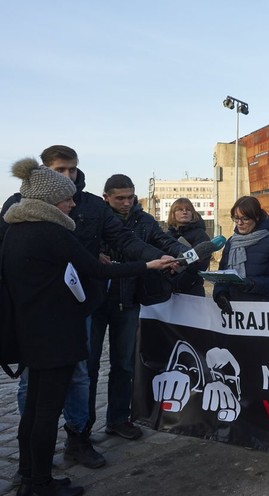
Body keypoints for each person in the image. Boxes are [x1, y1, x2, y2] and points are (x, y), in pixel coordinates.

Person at [2, 158, 173, 496]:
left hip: (29, 332)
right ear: (51, 201)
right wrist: (149, 264)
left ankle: (28, 477)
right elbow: (96, 271)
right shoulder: (52, 231)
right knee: (47, 413)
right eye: (67, 198)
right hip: (56, 334)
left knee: (33, 409)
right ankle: (41, 485)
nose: (72, 203)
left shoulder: (15, 230)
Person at [88, 175, 187, 442]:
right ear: (106, 196)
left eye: (130, 197)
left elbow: (163, 241)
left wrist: (183, 255)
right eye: (120, 198)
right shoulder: (94, 217)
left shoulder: (144, 220)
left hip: (129, 300)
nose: (127, 202)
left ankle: (118, 419)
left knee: (125, 364)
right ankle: (81, 429)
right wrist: (93, 253)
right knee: (89, 365)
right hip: (95, 301)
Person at [213, 196, 269, 313]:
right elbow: (222, 275)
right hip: (233, 309)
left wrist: (252, 284)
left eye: (245, 219)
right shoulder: (231, 242)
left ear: (257, 218)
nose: (239, 223)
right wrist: (220, 294)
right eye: (236, 218)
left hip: (261, 310)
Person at [165, 198, 211, 297]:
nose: (184, 212)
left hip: (192, 289)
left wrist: (180, 280)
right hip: (168, 289)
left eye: (188, 209)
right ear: (173, 214)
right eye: (180, 209)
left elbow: (201, 264)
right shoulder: (166, 235)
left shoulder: (200, 235)